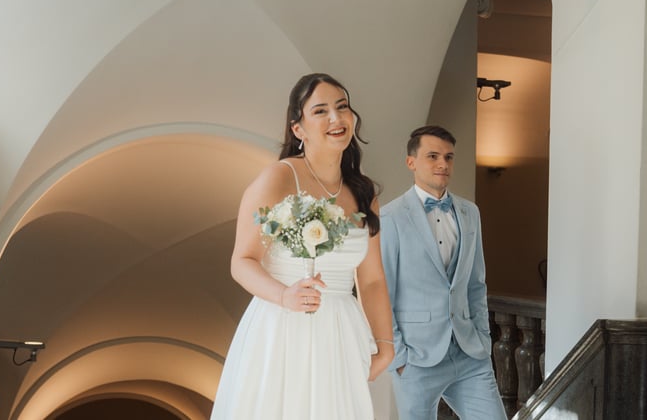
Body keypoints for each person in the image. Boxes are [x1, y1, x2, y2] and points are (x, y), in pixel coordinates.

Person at [211, 73, 394, 419]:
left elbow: (371, 279)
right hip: (283, 327)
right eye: (321, 111)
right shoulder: (279, 178)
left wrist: (385, 346)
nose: (336, 118)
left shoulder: (364, 192)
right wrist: (284, 295)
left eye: (342, 107)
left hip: (342, 334)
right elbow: (242, 261)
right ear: (298, 129)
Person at [380, 125, 505, 420]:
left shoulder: (470, 212)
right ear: (411, 162)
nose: (442, 164)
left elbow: (476, 283)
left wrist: (483, 339)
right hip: (416, 357)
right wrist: (399, 357)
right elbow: (382, 293)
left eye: (448, 157)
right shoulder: (390, 217)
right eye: (433, 156)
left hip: (469, 352)